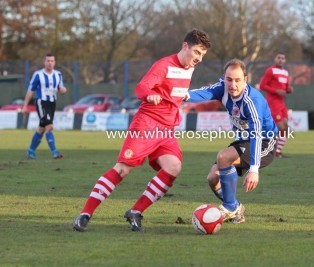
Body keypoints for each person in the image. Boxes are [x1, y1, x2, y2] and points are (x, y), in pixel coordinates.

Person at [73, 29, 211, 232]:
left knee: (173, 167)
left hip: (166, 130)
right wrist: (149, 95)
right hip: (147, 124)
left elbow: (174, 91)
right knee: (122, 169)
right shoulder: (163, 65)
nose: (199, 58)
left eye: (202, 55)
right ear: (185, 46)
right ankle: (85, 214)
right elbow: (141, 88)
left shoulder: (189, 68)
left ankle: (135, 212)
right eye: (197, 52)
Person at [185, 59, 278, 223]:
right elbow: (204, 93)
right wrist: (183, 95)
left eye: (237, 80)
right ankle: (236, 208)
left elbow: (256, 134)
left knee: (223, 157)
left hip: (264, 142)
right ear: (224, 78)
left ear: (245, 79)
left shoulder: (252, 101)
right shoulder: (223, 89)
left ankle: (229, 207)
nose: (233, 84)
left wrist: (254, 170)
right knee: (213, 178)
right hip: (243, 141)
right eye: (229, 79)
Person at [23, 53, 67, 159]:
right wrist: (25, 106)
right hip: (41, 102)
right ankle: (55, 152)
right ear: (44, 62)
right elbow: (30, 90)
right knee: (49, 127)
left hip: (52, 103)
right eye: (48, 61)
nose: (50, 63)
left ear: (54, 62)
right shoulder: (38, 75)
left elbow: (62, 88)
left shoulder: (58, 74)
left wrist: (63, 90)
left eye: (52, 61)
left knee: (41, 128)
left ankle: (30, 151)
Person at [259, 52, 293, 158]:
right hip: (273, 102)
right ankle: (266, 149)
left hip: (282, 103)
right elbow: (262, 85)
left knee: (286, 128)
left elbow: (286, 88)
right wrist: (276, 91)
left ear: (285, 60)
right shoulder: (271, 70)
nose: (280, 60)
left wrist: (289, 90)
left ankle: (277, 152)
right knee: (280, 127)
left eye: (283, 58)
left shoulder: (286, 73)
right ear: (275, 59)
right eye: (278, 58)